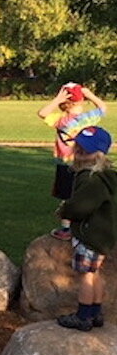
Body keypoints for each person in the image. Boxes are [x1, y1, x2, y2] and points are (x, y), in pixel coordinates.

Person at [56, 126, 116, 331]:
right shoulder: (105, 176)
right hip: (102, 235)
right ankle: (96, 312)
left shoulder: (92, 179)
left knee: (86, 276)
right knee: (95, 272)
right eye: (78, 146)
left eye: (86, 149)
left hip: (91, 235)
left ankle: (83, 316)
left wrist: (65, 210)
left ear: (99, 154)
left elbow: (80, 207)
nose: (80, 151)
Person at [37, 83, 106, 240]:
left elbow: (42, 113)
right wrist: (90, 95)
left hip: (66, 163)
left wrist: (56, 99)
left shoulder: (61, 120)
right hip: (85, 162)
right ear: (80, 101)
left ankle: (66, 229)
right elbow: (102, 108)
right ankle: (86, 225)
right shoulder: (88, 118)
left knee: (67, 197)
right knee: (85, 193)